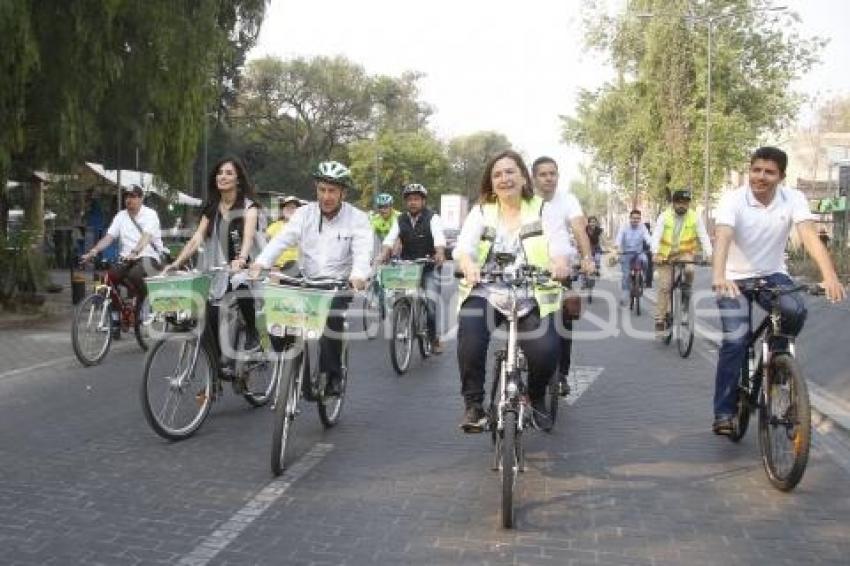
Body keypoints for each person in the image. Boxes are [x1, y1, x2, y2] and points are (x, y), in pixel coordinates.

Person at [711, 146, 845, 435]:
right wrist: (719, 275)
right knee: (735, 341)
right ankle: (723, 411)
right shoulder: (733, 199)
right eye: (756, 169)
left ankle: (778, 366)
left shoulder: (793, 198)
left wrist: (830, 276)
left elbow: (809, 235)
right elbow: (723, 237)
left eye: (769, 172)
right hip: (734, 278)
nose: (760, 176)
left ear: (781, 177)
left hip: (773, 274)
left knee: (795, 311)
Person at [455, 150, 572, 432]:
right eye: (497, 174)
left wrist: (560, 264)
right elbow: (463, 248)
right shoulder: (482, 211)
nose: (504, 178)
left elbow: (560, 247)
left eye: (510, 172)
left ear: (522, 177)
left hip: (533, 294)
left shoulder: (544, 210)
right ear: (491, 182)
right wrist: (469, 265)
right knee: (469, 339)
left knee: (546, 351)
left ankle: (535, 396)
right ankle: (474, 407)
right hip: (487, 291)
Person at [251, 161, 372, 396]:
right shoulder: (304, 214)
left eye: (332, 191)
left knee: (331, 318)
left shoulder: (357, 218)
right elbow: (282, 240)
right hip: (306, 277)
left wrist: (358, 276)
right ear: (316, 189)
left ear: (343, 193)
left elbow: (362, 252)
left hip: (337, 283)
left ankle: (333, 375)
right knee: (276, 302)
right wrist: (261, 263)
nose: (326, 196)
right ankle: (287, 356)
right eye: (322, 190)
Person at [163, 156, 264, 364]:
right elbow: (196, 238)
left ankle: (253, 334)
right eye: (220, 173)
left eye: (228, 173)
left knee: (240, 283)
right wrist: (177, 263)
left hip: (246, 266)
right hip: (218, 269)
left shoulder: (249, 207)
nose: (222, 177)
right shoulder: (212, 207)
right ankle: (216, 370)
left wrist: (241, 259)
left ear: (238, 179)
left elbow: (248, 237)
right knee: (207, 315)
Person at [531, 156, 594, 397]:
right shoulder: (527, 201)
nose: (549, 178)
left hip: (560, 271)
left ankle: (561, 375)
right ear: (534, 177)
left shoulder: (568, 199)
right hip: (530, 269)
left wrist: (586, 258)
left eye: (553, 173)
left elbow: (578, 228)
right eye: (543, 174)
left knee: (563, 322)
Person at [80, 184, 163, 332]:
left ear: (141, 198)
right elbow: (109, 237)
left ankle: (145, 305)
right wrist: (93, 251)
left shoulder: (151, 215)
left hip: (148, 257)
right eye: (127, 196)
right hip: (126, 259)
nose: (128, 199)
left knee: (134, 274)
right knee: (108, 278)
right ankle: (116, 316)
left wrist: (135, 252)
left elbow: (146, 237)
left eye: (132, 196)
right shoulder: (121, 216)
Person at [377, 183, 447, 353]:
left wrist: (439, 253)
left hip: (429, 265)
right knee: (399, 296)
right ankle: (405, 319)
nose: (412, 202)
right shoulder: (400, 220)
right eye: (409, 200)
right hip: (408, 267)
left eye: (416, 199)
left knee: (430, 304)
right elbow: (389, 239)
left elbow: (439, 238)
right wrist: (383, 254)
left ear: (423, 201)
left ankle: (433, 337)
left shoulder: (432, 218)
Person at [650, 189, 713, 337]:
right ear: (673, 203)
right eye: (679, 202)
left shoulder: (694, 217)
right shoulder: (664, 217)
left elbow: (703, 236)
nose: (682, 206)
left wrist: (709, 254)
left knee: (690, 270)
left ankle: (685, 297)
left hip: (684, 253)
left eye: (685, 203)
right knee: (665, 287)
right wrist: (655, 253)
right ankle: (660, 318)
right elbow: (656, 236)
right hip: (665, 255)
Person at [614, 210, 652, 306]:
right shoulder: (624, 227)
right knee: (626, 275)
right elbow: (619, 238)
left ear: (640, 219)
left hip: (639, 253)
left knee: (645, 260)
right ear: (630, 218)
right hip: (626, 253)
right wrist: (618, 248)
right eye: (633, 218)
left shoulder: (642, 227)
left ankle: (641, 278)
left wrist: (653, 246)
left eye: (638, 218)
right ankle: (625, 293)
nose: (635, 220)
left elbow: (648, 238)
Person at [265, 195, 303, 274]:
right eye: (287, 207)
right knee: (274, 271)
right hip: (275, 264)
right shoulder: (274, 226)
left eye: (293, 207)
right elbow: (265, 241)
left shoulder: (303, 227)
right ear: (282, 210)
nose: (290, 210)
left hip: (295, 264)